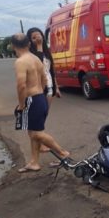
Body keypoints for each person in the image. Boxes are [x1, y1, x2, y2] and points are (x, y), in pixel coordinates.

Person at [11, 33, 70, 173]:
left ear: (13, 46)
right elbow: (44, 78)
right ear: (29, 44)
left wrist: (21, 104)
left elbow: (21, 86)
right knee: (32, 131)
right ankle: (34, 162)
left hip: (32, 100)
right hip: (40, 98)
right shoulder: (36, 59)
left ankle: (63, 153)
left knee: (36, 134)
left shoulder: (20, 62)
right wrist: (41, 94)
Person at [27, 27, 62, 155]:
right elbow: (39, 64)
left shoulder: (47, 53)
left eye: (39, 35)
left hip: (50, 87)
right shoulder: (31, 55)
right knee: (39, 116)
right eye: (34, 37)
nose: (38, 38)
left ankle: (39, 141)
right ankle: (40, 143)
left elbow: (52, 71)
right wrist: (39, 46)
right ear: (29, 41)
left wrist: (56, 87)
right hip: (38, 88)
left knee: (44, 115)